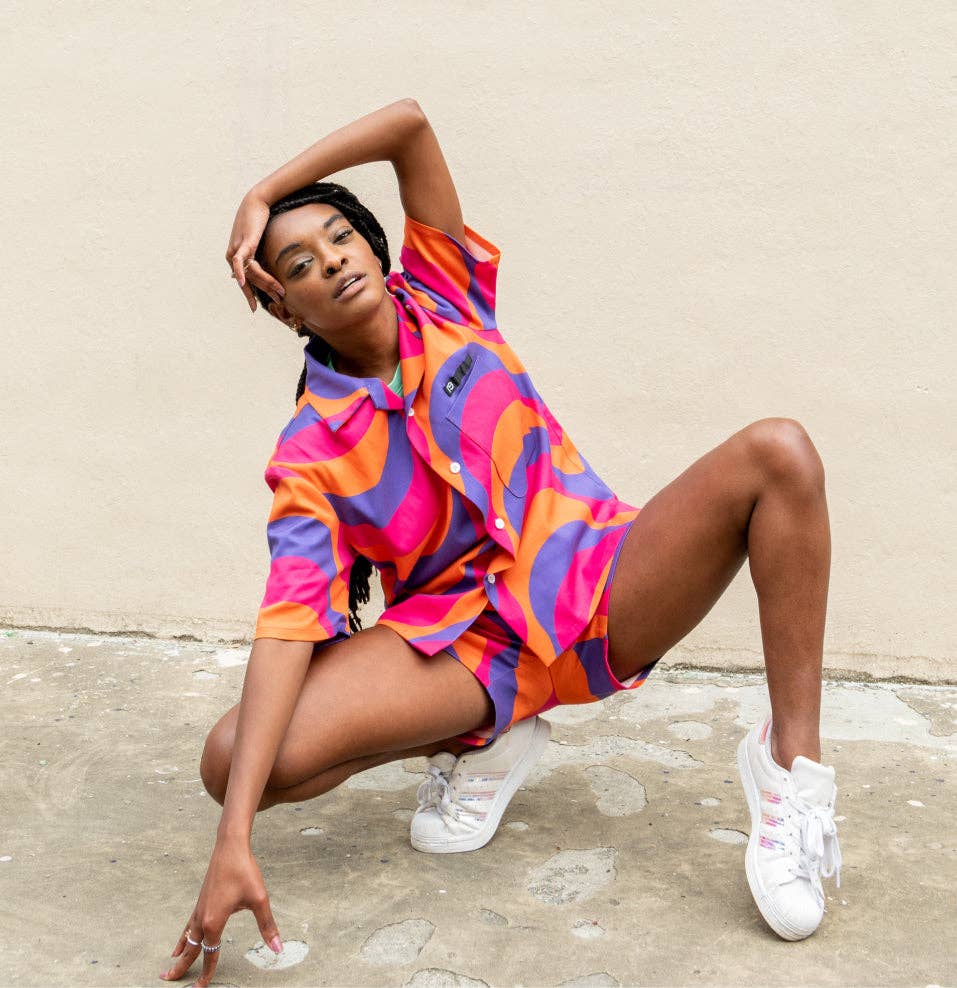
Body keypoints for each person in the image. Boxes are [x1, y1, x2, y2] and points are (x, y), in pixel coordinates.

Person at [160, 98, 841, 986]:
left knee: (778, 452)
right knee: (233, 761)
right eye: (298, 264)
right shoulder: (309, 454)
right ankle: (483, 738)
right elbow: (287, 628)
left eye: (341, 237)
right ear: (284, 308)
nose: (330, 259)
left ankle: (789, 771)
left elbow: (407, 125)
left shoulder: (445, 294)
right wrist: (235, 837)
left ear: (374, 248)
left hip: (599, 582)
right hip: (466, 653)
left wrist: (262, 193)